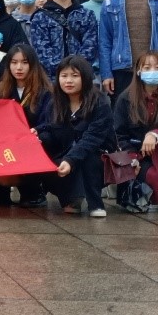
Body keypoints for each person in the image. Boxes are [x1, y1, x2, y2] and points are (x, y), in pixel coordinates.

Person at [36, 56, 115, 217]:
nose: (68, 81)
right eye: (64, 76)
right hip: (66, 153)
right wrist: (37, 134)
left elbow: (92, 138)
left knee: (87, 156)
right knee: (43, 147)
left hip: (97, 156)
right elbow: (51, 129)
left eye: (74, 76)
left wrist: (70, 160)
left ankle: (96, 204)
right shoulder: (55, 103)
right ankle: (70, 199)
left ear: (85, 77)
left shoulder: (100, 103)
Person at [113, 50, 158, 214]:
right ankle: (154, 195)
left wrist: (155, 134)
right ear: (138, 71)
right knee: (153, 177)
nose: (152, 71)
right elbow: (119, 133)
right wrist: (131, 158)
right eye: (147, 68)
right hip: (137, 153)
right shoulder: (125, 98)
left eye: (157, 67)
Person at [0, 45, 52, 207]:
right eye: (14, 62)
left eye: (24, 63)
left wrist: (36, 132)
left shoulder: (45, 92)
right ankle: (1, 190)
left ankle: (34, 191)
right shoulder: (3, 90)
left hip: (35, 140)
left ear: (33, 65)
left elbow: (49, 123)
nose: (19, 67)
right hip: (8, 143)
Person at [30, 0, 99, 81]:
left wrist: (75, 70)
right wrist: (63, 72)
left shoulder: (86, 15)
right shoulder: (40, 17)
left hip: (81, 77)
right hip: (51, 79)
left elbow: (90, 46)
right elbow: (41, 51)